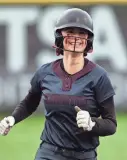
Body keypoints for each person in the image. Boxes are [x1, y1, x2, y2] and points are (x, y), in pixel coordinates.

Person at [0, 8, 117, 160]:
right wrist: (13, 118)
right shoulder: (45, 72)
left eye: (82, 32)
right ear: (59, 35)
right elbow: (30, 103)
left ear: (89, 39)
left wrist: (92, 124)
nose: (76, 37)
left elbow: (111, 124)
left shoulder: (99, 76)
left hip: (83, 155)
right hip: (48, 153)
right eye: (70, 31)